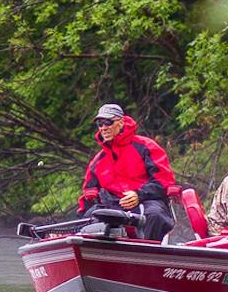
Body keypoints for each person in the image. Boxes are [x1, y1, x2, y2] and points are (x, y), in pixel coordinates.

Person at [77, 102, 180, 240]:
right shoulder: (98, 161)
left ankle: (148, 255)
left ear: (121, 123)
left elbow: (164, 180)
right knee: (90, 219)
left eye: (108, 122)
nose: (103, 128)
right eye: (100, 124)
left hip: (147, 201)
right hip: (113, 206)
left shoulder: (146, 146)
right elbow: (88, 194)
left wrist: (139, 195)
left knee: (155, 216)